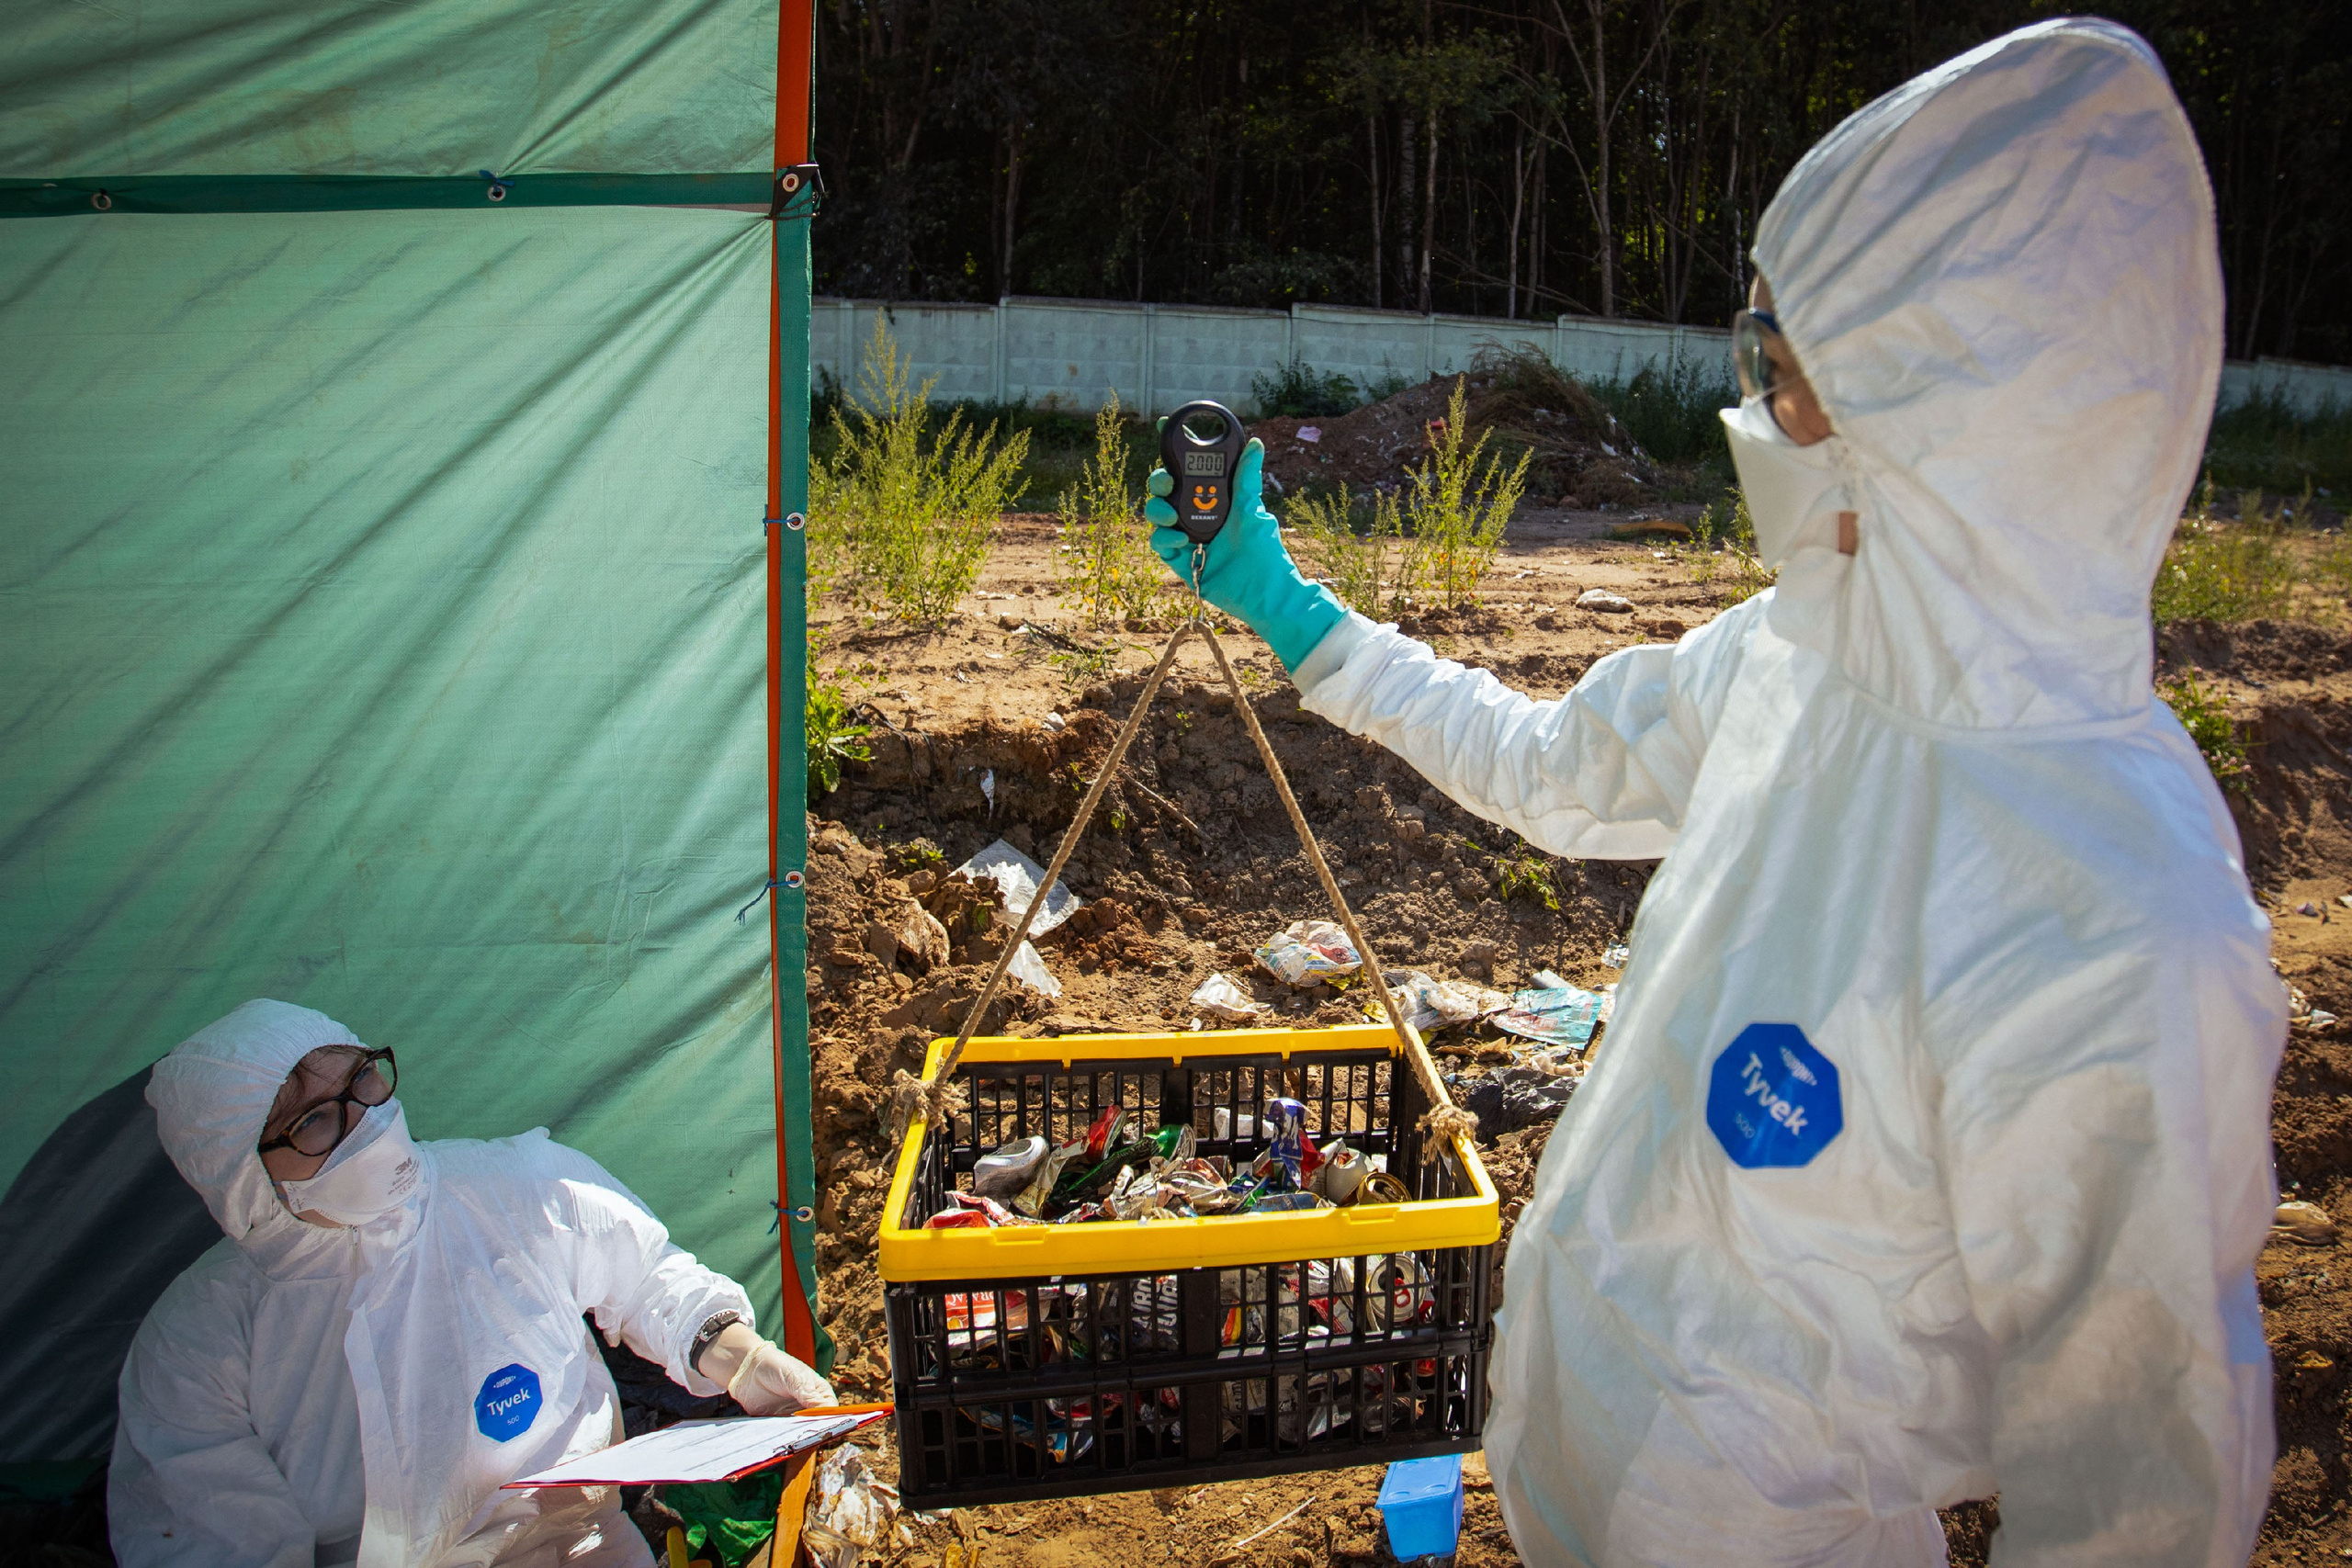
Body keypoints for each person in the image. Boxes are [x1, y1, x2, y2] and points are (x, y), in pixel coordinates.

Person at [1148, 18, 2279, 1566]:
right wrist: (1293, 614)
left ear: (1954, 403)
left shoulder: (2112, 919)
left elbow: (2145, 1490)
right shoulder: (1805, 653)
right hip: (1572, 1480)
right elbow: (1544, 764)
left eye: (1789, 370)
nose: (1757, 415)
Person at [109, 998, 832, 1568]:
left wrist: (734, 1352)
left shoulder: (508, 1188)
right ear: (242, 1179)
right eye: (314, 1121)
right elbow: (219, 1541)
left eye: (361, 1078)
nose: (365, 1122)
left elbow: (644, 1272)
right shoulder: (200, 1340)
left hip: (579, 1549)